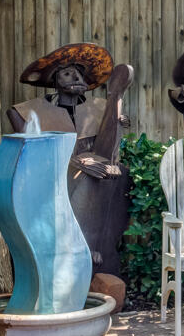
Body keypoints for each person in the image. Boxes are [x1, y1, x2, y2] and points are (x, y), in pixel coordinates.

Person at [9, 44, 133, 288]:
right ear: (54, 81)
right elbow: (34, 155)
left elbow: (107, 152)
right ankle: (78, 252)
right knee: (85, 178)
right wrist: (75, 162)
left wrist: (115, 120)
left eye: (79, 73)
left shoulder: (98, 109)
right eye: (67, 73)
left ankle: (98, 249)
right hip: (52, 182)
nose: (76, 77)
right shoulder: (30, 112)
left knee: (119, 175)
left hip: (98, 179)